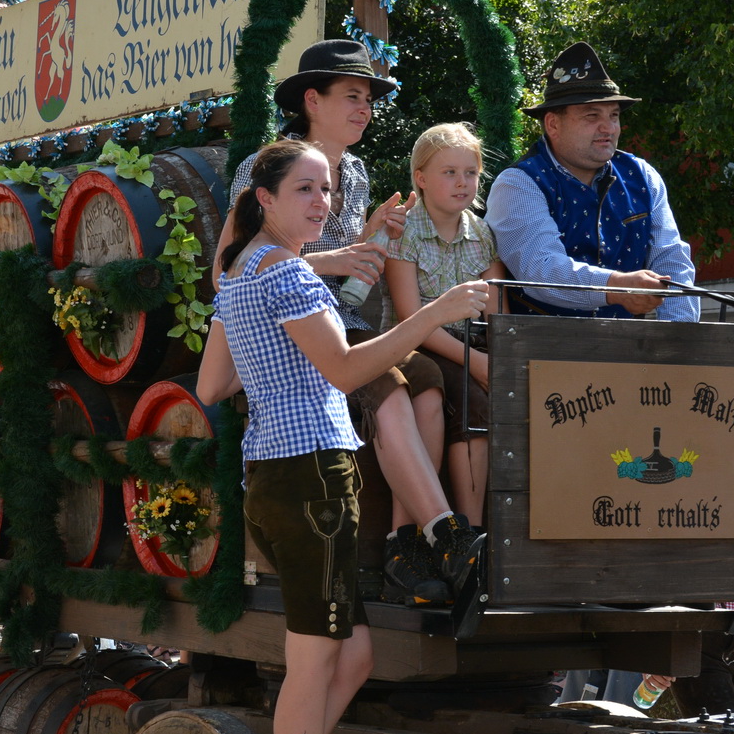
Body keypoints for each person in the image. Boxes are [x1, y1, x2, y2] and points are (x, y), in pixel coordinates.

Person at [197, 140, 497, 734]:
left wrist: (277, 364)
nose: (321, 204)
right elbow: (350, 367)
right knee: (315, 664)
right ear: (263, 197)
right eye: (305, 190)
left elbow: (211, 386)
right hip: (312, 481)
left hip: (273, 474)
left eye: (327, 190)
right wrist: (436, 311)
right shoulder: (288, 274)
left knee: (349, 652)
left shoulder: (239, 272)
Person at [215, 40, 481, 606]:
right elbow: (228, 270)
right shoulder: (265, 168)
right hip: (294, 331)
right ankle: (446, 534)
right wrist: (330, 260)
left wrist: (372, 238)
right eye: (354, 96)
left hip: (341, 317)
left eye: (369, 99)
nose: (366, 109)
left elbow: (345, 269)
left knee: (429, 385)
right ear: (313, 99)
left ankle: (402, 545)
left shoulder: (356, 174)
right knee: (387, 388)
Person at [485, 42, 699, 321]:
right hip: (542, 354)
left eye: (614, 115)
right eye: (592, 115)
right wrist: (617, 287)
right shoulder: (518, 185)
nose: (609, 128)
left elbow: (671, 260)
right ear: (552, 124)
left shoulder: (643, 177)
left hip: (633, 351)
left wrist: (678, 342)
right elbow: (542, 270)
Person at [384, 123, 507, 521]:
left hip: (474, 345)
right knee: (467, 398)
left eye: (470, 173)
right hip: (420, 344)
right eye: (449, 172)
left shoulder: (482, 232)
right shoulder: (405, 231)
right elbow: (410, 317)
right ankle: (452, 528)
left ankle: (487, 529)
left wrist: (498, 356)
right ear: (420, 178)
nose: (462, 183)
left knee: (504, 398)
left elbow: (497, 309)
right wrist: (477, 362)